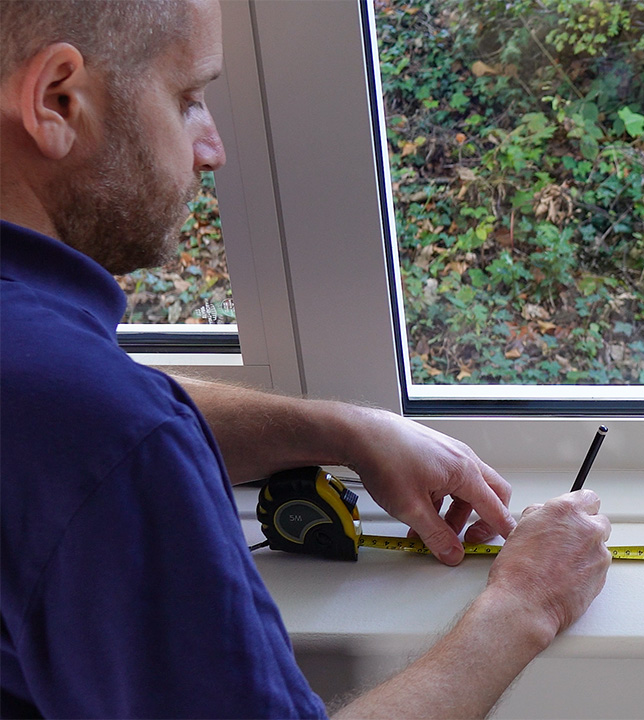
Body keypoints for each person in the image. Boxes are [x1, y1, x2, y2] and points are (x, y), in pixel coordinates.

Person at [0, 0, 612, 717]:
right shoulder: (108, 435)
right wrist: (525, 604)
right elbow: (104, 429)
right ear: (57, 101)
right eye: (188, 99)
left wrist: (342, 429)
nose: (213, 148)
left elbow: (67, 410)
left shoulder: (47, 383)